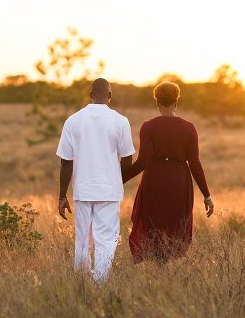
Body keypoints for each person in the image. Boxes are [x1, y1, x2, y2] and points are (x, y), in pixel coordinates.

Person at [122, 81, 214, 263]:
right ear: (176, 100)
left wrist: (119, 179)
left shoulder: (148, 127)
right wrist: (207, 195)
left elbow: (142, 162)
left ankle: (158, 266)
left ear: (157, 101)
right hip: (179, 181)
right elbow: (195, 163)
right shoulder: (189, 128)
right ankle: (165, 266)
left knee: (154, 223)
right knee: (174, 224)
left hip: (154, 179)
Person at [56, 78, 135, 282]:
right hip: (109, 191)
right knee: (106, 239)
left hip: (82, 190)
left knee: (82, 240)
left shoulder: (73, 121)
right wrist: (116, 181)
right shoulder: (120, 121)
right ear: (110, 96)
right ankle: (99, 284)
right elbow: (127, 161)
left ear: (90, 95)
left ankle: (82, 282)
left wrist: (62, 196)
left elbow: (66, 163)